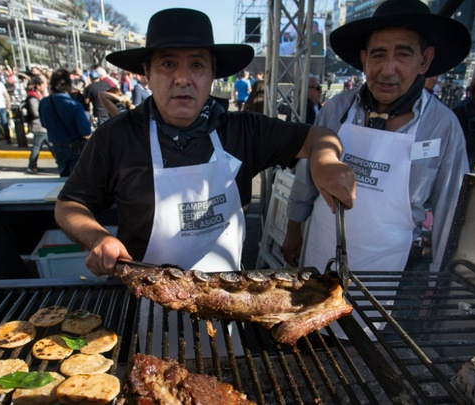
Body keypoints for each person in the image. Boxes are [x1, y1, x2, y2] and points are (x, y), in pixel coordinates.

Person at [54, 7, 355, 277]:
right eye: (168, 65)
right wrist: (98, 238)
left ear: (212, 74)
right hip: (146, 305)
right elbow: (69, 205)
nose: (183, 79)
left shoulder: (243, 130)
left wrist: (325, 159)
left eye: (197, 65)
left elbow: (318, 137)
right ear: (146, 73)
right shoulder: (117, 137)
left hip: (226, 306)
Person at [283, 0, 471, 280]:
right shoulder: (337, 108)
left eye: (403, 55)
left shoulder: (442, 127)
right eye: (378, 55)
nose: (387, 69)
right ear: (363, 59)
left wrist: (441, 279)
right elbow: (306, 177)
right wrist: (293, 229)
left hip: (385, 269)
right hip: (321, 255)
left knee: (370, 324)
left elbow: (453, 209)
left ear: (425, 60)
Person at [39, 68, 92, 177]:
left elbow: (44, 124)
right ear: (68, 85)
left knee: (64, 179)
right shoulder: (73, 104)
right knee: (78, 180)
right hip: (75, 147)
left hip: (57, 146)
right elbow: (85, 130)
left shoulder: (44, 103)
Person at [25, 75, 52, 174]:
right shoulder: (33, 98)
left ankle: (32, 165)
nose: (45, 86)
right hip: (39, 126)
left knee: (46, 146)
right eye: (43, 84)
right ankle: (31, 166)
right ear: (37, 86)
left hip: (42, 126)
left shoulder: (38, 95)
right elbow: (35, 112)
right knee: (39, 147)